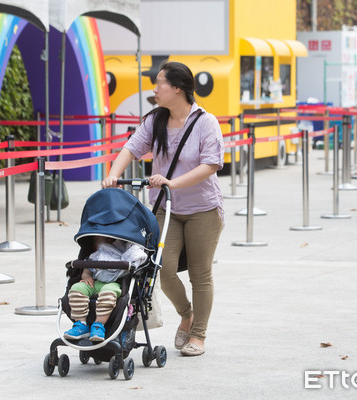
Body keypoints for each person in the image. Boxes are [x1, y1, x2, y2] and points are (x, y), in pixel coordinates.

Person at [102, 61, 224, 357]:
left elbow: (210, 165)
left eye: (160, 83)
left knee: (200, 274)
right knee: (161, 268)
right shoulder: (155, 120)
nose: (155, 89)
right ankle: (187, 313)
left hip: (203, 209)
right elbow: (130, 148)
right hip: (165, 208)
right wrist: (112, 175)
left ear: (178, 88)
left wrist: (173, 182)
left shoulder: (206, 122)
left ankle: (198, 335)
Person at [64, 236, 147, 341]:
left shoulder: (124, 254)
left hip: (114, 283)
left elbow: (135, 258)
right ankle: (80, 324)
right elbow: (86, 270)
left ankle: (99, 325)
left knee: (108, 293)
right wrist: (87, 277)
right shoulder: (95, 256)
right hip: (95, 282)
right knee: (77, 288)